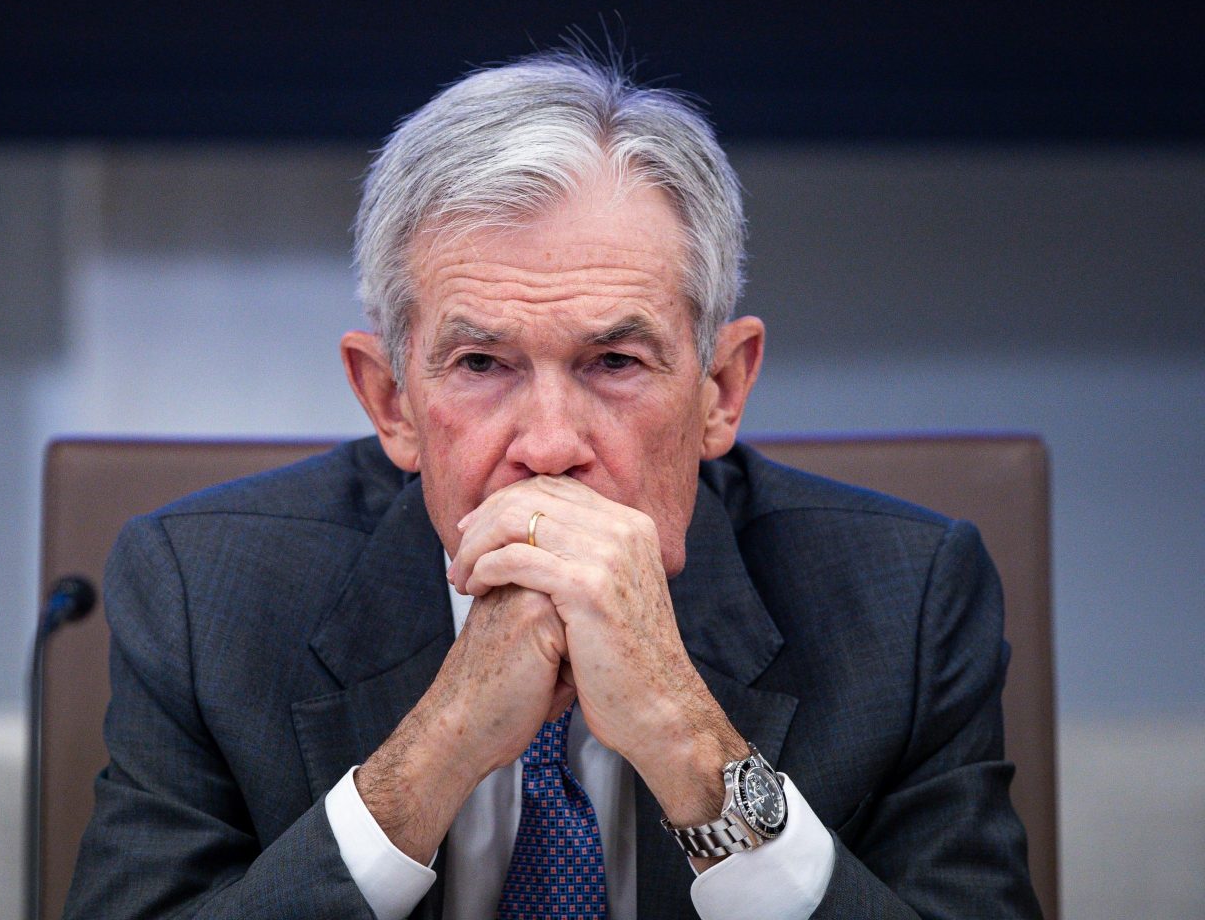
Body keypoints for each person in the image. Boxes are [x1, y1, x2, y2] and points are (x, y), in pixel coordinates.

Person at [64, 51, 1042, 919]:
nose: (548, 446)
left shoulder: (906, 608)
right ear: (391, 401)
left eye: (614, 362)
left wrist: (692, 746)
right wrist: (436, 751)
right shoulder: (204, 598)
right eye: (481, 364)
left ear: (721, 390)